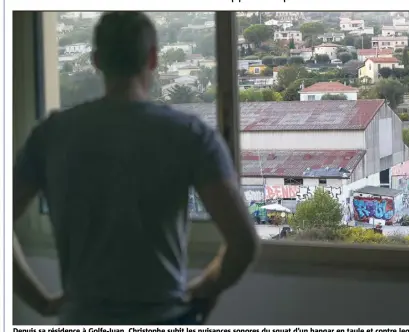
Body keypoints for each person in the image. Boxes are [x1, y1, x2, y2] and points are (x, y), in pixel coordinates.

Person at [13, 12, 259, 325]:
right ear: (154, 58)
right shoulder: (190, 134)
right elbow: (244, 244)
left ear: (97, 60)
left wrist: (41, 302)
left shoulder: (50, 134)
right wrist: (202, 290)